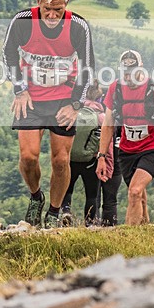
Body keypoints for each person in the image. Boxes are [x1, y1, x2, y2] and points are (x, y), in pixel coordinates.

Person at [2, 0, 94, 229]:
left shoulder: (78, 26)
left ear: (67, 3)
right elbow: (8, 53)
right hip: (30, 97)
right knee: (28, 157)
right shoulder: (22, 21)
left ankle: (54, 210)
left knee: (61, 160)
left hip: (63, 98)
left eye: (58, 10)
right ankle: (36, 197)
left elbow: (88, 66)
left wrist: (75, 104)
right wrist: (20, 89)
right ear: (37, 2)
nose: (52, 15)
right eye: (47, 9)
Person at [96, 50, 154, 226]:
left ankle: (129, 237)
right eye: (125, 73)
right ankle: (145, 231)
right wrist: (101, 156)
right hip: (126, 151)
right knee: (139, 196)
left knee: (134, 192)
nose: (129, 77)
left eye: (132, 72)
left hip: (152, 149)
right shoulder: (116, 89)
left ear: (141, 68)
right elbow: (108, 124)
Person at [61, 82, 105, 227]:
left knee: (67, 188)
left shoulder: (72, 113)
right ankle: (90, 222)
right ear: (99, 98)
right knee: (92, 195)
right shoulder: (101, 117)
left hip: (70, 158)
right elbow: (105, 140)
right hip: (91, 160)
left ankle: (66, 211)